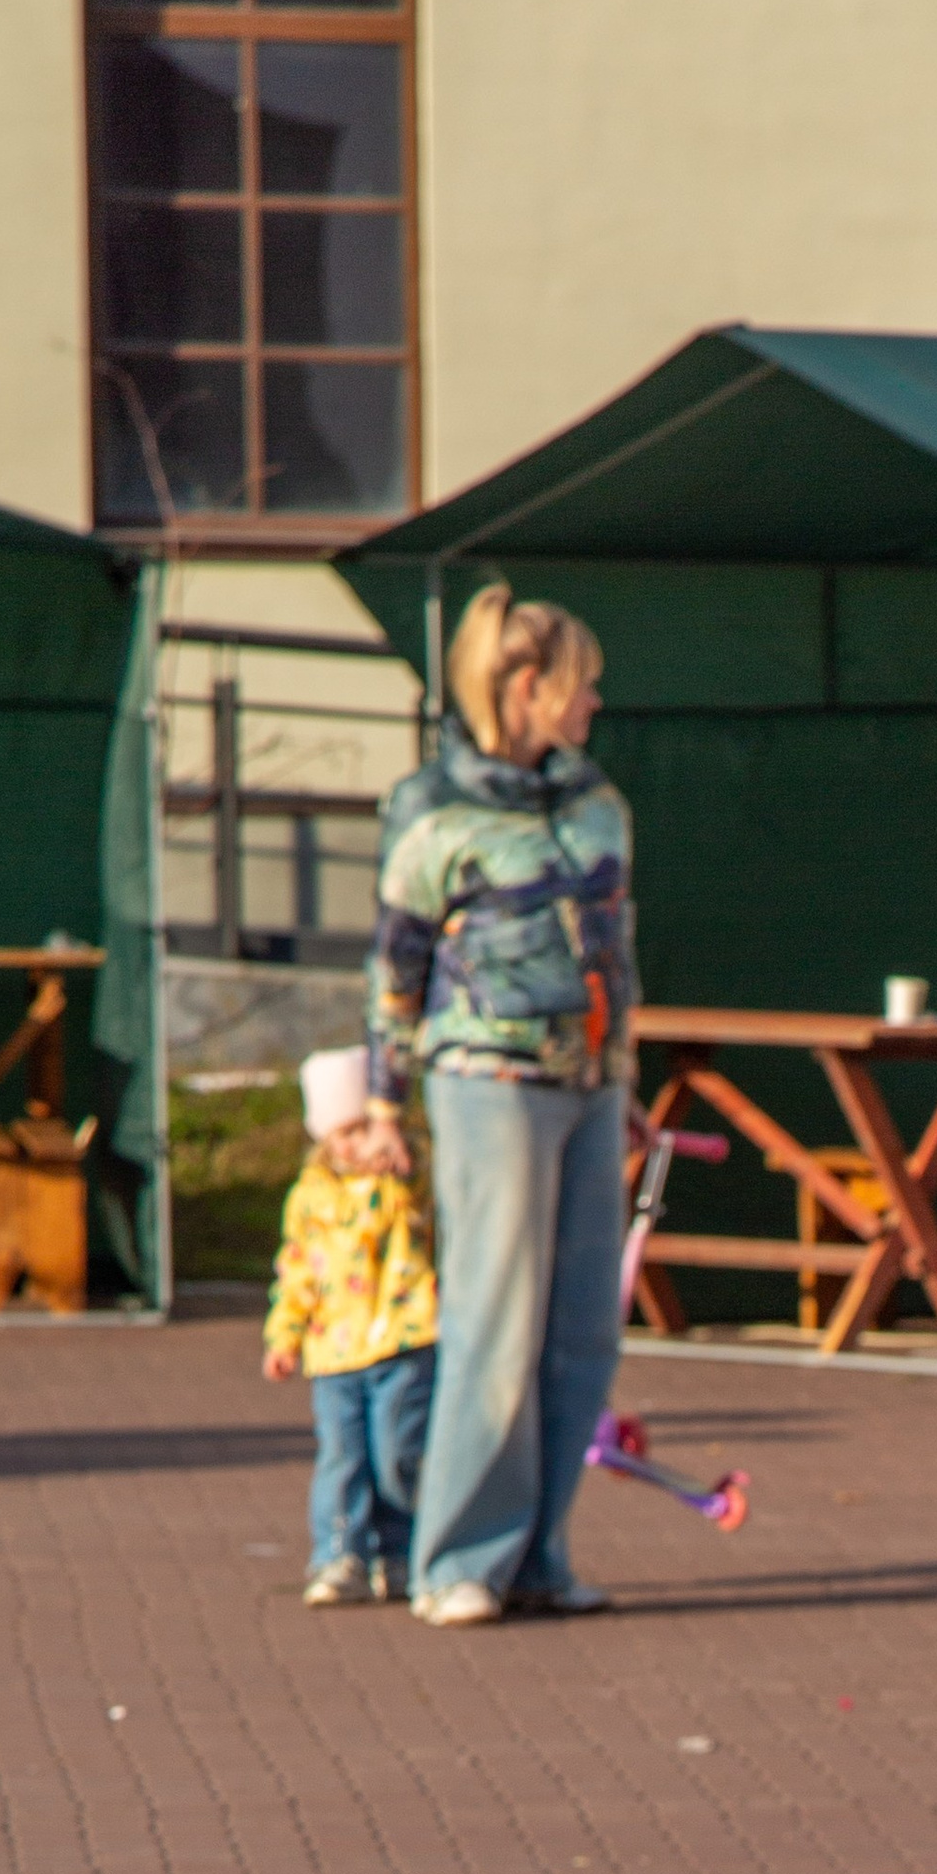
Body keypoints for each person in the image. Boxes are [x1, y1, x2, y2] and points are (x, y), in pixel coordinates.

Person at [360, 581, 637, 1626]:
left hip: (589, 1083)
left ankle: (538, 1554)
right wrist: (384, 1099)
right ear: (524, 686)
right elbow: (395, 962)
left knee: (582, 1330)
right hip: (487, 1081)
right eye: (580, 684)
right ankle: (456, 1560)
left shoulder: (598, 801)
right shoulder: (433, 806)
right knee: (495, 1321)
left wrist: (626, 1077)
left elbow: (619, 947)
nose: (593, 702)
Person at [262, 1044, 438, 1608]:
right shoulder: (309, 1196)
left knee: (397, 1453)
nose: (355, 1144)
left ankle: (398, 1552)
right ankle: (338, 1554)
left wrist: (400, 1149)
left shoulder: (399, 1182)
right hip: (334, 1352)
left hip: (400, 1340)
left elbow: (422, 1196)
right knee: (342, 1457)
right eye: (343, 1133)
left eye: (364, 1128)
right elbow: (296, 1271)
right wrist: (284, 1336)